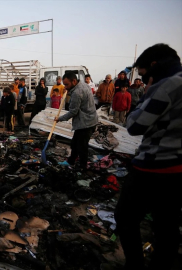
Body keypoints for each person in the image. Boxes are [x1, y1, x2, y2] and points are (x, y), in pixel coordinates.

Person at [115, 44, 182, 270]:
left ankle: (134, 266)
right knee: (167, 227)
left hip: (153, 166)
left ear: (154, 65)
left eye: (143, 75)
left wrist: (146, 95)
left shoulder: (168, 85)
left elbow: (134, 125)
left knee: (125, 219)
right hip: (177, 169)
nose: (143, 81)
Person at [54, 72, 98, 169]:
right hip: (89, 119)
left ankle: (82, 167)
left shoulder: (77, 93)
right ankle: (71, 161)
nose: (65, 86)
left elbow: (73, 112)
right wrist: (69, 90)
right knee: (75, 143)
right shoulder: (83, 84)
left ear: (74, 81)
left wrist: (59, 119)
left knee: (82, 147)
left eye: (66, 84)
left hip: (86, 123)